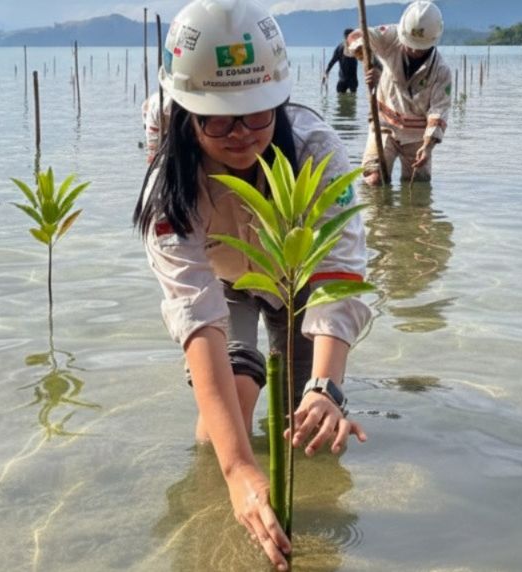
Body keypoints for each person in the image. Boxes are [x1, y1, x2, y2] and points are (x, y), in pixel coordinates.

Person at [133, 0, 370, 569]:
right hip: (225, 276)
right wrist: (238, 473)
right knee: (222, 428)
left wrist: (327, 389)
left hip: (301, 279)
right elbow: (195, 313)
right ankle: (217, 521)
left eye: (258, 115)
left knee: (306, 426)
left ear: (280, 101)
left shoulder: (317, 149)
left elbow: (340, 268)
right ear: (186, 109)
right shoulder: (167, 175)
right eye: (217, 118)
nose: (239, 134)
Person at [346, 0, 452, 186]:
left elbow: (438, 110)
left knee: (418, 186)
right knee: (373, 179)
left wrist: (427, 147)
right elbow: (356, 37)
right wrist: (367, 60)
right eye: (409, 44)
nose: (412, 50)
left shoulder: (441, 71)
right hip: (385, 124)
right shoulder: (391, 35)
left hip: (418, 135)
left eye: (419, 48)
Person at [324, 28, 359, 94]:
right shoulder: (341, 47)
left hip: (347, 80)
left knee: (343, 99)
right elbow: (333, 61)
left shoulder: (355, 47)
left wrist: (327, 72)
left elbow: (332, 61)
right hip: (346, 80)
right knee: (351, 99)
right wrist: (326, 73)